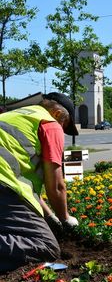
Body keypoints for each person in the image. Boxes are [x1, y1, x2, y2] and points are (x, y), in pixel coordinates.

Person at [0, 92, 79, 272]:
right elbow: (56, 186)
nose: (62, 132)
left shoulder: (16, 116)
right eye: (64, 126)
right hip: (2, 186)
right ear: (58, 114)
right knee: (45, 246)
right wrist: (65, 218)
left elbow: (28, 188)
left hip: (4, 184)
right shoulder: (50, 124)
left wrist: (50, 216)